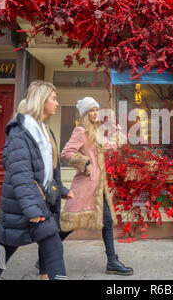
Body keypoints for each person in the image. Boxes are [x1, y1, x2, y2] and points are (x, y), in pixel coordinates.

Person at [0, 80, 74, 280]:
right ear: (41, 100)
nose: (57, 103)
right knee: (6, 249)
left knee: (42, 248)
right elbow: (21, 174)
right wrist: (32, 209)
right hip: (24, 206)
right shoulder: (20, 131)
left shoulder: (47, 131)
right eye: (54, 99)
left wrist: (62, 190)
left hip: (38, 204)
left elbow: (49, 170)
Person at [57, 96, 133, 275]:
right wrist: (85, 163)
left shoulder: (95, 132)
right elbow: (66, 153)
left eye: (96, 109)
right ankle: (46, 253)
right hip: (85, 186)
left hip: (99, 186)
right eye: (91, 110)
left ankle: (112, 261)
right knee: (70, 224)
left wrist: (116, 133)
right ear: (84, 113)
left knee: (106, 221)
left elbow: (113, 146)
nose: (95, 113)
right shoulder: (80, 131)